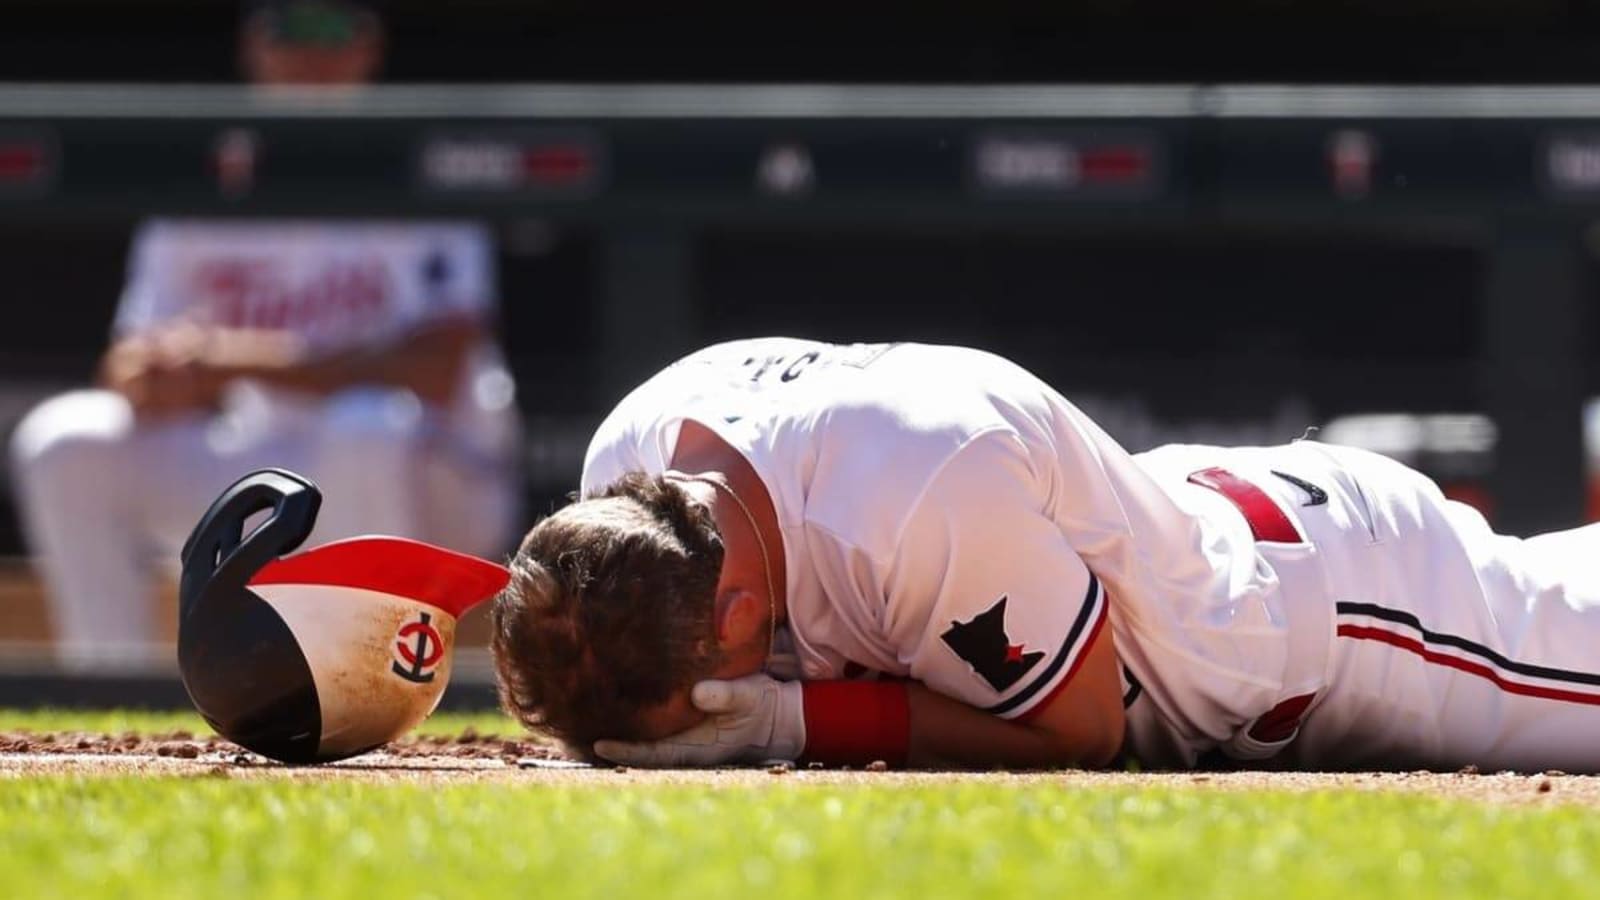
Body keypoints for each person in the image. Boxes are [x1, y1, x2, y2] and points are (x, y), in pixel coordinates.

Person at [490, 337, 1600, 773]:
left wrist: (787, 720)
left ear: (735, 620)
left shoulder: (912, 499)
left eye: (700, 690)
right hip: (1205, 532)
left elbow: (1083, 730)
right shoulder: (630, 450)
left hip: (1350, 616)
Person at [9, 0, 521, 663]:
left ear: (370, 47)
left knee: (368, 425)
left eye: (333, 30)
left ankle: (378, 680)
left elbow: (438, 367)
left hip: (434, 477)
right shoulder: (207, 181)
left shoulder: (415, 165)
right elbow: (126, 366)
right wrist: (169, 376)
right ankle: (112, 682)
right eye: (290, 30)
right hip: (262, 452)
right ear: (254, 45)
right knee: (65, 439)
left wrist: (232, 358)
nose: (312, 54)